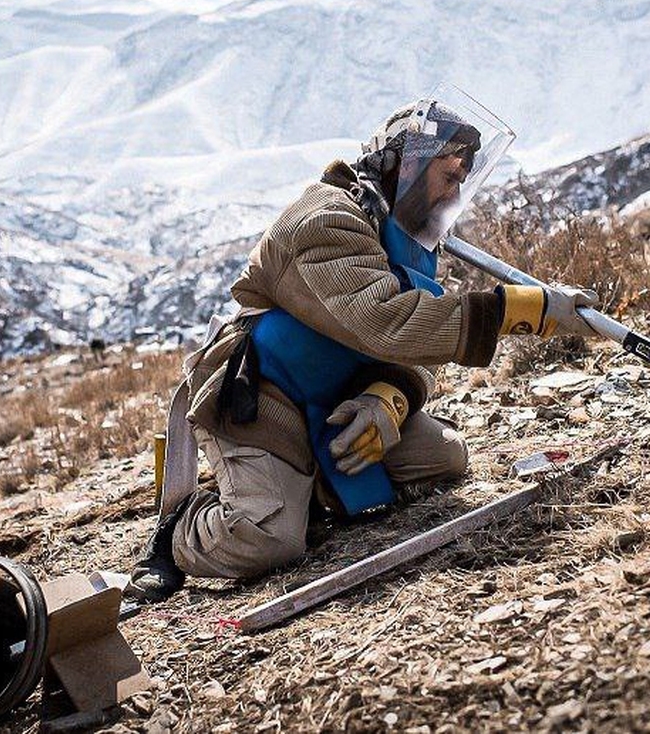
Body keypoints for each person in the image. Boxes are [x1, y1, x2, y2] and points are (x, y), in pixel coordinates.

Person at [126, 85, 599, 603]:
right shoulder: (328, 220)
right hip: (265, 398)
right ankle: (179, 531)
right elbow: (389, 324)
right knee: (268, 541)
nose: (452, 194)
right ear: (407, 163)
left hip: (337, 399)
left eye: (461, 182)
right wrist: (518, 312)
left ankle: (300, 490)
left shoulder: (406, 240)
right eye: (447, 176)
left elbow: (417, 351)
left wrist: (386, 401)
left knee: (445, 457)